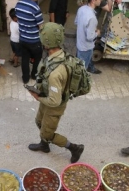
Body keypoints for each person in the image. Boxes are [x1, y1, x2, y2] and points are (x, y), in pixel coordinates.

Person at [26, 22, 85, 163]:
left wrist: (37, 97)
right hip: (48, 97)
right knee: (39, 121)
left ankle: (74, 148)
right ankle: (44, 145)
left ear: (47, 44)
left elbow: (55, 101)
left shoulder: (55, 74)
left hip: (54, 104)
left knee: (48, 133)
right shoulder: (58, 55)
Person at [15, 0, 44, 86]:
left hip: (22, 39)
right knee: (38, 57)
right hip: (34, 41)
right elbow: (41, 26)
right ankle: (33, 75)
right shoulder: (36, 8)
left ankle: (25, 79)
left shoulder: (18, 4)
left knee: (25, 59)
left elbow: (19, 19)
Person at [75, 0, 102, 74]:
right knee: (82, 71)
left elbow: (76, 22)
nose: (101, 0)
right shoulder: (92, 18)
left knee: (78, 66)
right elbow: (90, 37)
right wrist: (96, 33)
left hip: (79, 44)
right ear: (93, 0)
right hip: (86, 48)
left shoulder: (81, 9)